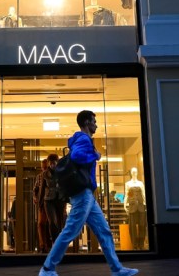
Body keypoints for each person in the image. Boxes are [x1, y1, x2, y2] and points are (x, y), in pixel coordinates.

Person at [38, 110, 139, 276]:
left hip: (87, 196)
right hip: (83, 195)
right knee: (70, 231)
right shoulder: (84, 139)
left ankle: (117, 269)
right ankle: (47, 268)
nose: (96, 125)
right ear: (86, 123)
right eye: (93, 122)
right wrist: (95, 155)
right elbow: (77, 156)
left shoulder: (82, 139)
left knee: (104, 231)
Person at [43, 153, 66, 243]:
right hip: (49, 200)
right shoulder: (45, 174)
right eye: (51, 162)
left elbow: (65, 186)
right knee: (52, 221)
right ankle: (54, 241)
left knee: (60, 221)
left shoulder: (62, 172)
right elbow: (42, 189)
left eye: (55, 162)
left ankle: (60, 241)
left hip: (60, 199)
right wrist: (40, 202)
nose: (53, 164)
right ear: (49, 163)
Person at [123, 167, 147, 250]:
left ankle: (141, 244)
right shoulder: (128, 184)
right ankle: (134, 245)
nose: (134, 173)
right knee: (132, 227)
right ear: (131, 174)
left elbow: (144, 194)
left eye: (135, 172)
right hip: (132, 206)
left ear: (137, 173)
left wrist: (145, 204)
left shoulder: (140, 183)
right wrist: (125, 204)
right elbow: (127, 194)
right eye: (132, 172)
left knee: (142, 225)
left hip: (141, 206)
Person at [33, 158, 51, 252]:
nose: (43, 169)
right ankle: (42, 245)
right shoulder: (39, 177)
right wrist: (35, 197)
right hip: (42, 203)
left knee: (50, 224)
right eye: (42, 168)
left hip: (50, 203)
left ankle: (49, 244)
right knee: (40, 224)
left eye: (45, 168)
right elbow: (35, 189)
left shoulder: (52, 176)